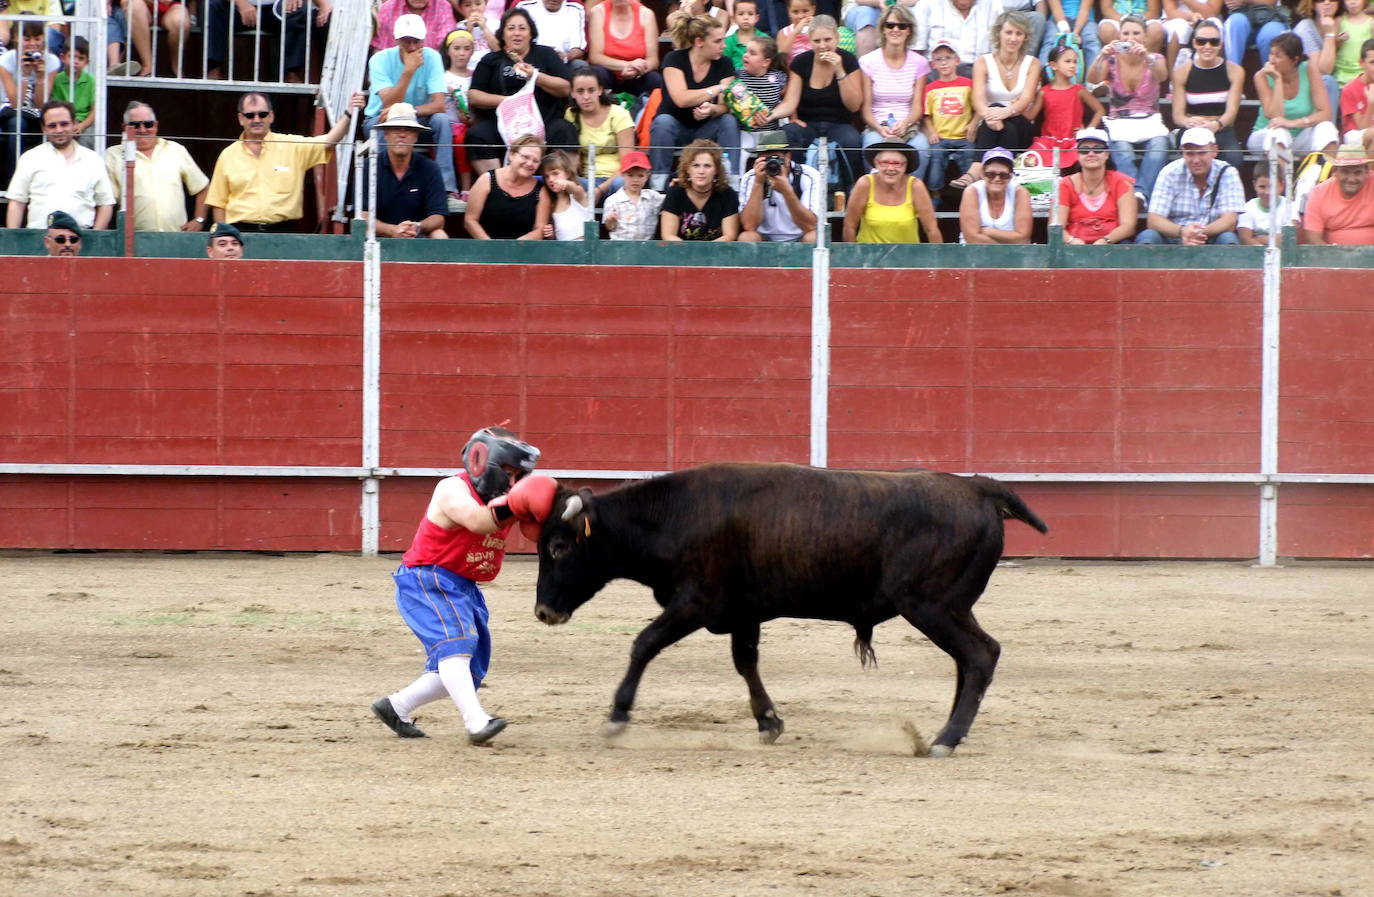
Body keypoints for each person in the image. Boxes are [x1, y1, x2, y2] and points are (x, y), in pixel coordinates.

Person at [370, 426, 553, 746]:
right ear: (483, 462)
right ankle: (476, 722)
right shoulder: (452, 488)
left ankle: (396, 706)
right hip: (427, 578)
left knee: (467, 671)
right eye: (508, 472)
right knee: (458, 645)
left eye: (519, 476)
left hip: (463, 585)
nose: (513, 483)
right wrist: (519, 503)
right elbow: (478, 520)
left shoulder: (503, 497)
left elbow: (532, 530)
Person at [205, 90, 366, 233]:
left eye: (262, 114)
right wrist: (225, 236)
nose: (256, 119)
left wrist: (349, 113)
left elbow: (329, 141)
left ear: (271, 116)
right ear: (241, 119)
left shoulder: (291, 146)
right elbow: (218, 203)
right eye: (250, 115)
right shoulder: (227, 155)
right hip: (241, 233)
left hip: (284, 233)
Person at [465, 8, 576, 176]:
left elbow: (565, 88)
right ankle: (498, 185)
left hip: (544, 122)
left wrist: (536, 76)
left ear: (531, 33)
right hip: (504, 123)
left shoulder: (545, 54)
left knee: (564, 129)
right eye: (511, 28)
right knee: (477, 134)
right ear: (502, 34)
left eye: (522, 28)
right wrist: (510, 101)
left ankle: (565, 184)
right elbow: (474, 95)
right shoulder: (491, 60)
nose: (517, 33)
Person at [366, 14, 461, 210]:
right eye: (406, 40)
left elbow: (439, 105)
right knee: (380, 128)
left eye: (416, 41)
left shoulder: (433, 57)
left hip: (417, 116)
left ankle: (446, 189)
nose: (411, 46)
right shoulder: (379, 60)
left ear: (423, 40)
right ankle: (385, 187)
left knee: (442, 121)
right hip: (381, 116)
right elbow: (388, 102)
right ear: (396, 39)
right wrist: (408, 71)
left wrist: (405, 112)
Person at [773, 15, 864, 189]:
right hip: (808, 124)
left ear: (836, 38)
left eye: (828, 39)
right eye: (817, 40)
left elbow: (854, 105)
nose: (822, 45)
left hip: (839, 124)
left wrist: (840, 71)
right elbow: (790, 103)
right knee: (787, 132)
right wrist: (770, 115)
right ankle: (793, 188)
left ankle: (849, 193)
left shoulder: (849, 61)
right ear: (809, 41)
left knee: (852, 140)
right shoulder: (801, 62)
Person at [650, 15, 740, 190]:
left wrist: (712, 109)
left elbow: (725, 106)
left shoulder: (725, 64)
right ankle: (658, 187)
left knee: (729, 121)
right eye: (717, 41)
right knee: (662, 122)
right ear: (699, 42)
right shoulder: (674, 59)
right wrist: (717, 88)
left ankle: (733, 184)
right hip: (676, 128)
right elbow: (681, 99)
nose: (724, 46)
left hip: (707, 130)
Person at [1088, 14, 1168, 201]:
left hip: (1150, 120)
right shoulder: (1112, 59)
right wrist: (1101, 56)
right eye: (1125, 33)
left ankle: (1138, 195)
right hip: (1119, 121)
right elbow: (1092, 80)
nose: (1130, 38)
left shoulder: (1155, 58)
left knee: (1159, 148)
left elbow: (1162, 76)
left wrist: (1146, 56)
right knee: (1122, 153)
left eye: (1136, 33)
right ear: (1119, 36)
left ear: (1145, 37)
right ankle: (1139, 194)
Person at [104, 101, 211, 233]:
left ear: (156, 125)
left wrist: (199, 220)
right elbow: (106, 201)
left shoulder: (176, 150)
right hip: (134, 241)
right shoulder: (113, 155)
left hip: (175, 238)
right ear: (124, 127)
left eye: (148, 124)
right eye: (135, 125)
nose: (142, 130)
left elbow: (202, 187)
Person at [6, 101, 115, 230]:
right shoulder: (30, 158)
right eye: (52, 125)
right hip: (38, 242)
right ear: (44, 128)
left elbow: (106, 204)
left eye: (64, 124)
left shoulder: (93, 159)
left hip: (82, 241)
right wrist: (12, 242)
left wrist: (95, 242)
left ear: (74, 124)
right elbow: (16, 202)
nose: (59, 130)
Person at [1135, 125, 1244, 244]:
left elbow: (1229, 221)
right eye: (1190, 154)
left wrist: (1197, 234)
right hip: (1175, 237)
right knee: (1148, 236)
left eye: (1202, 153)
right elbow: (1154, 220)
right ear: (1182, 153)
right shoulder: (1170, 172)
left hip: (1210, 237)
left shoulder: (1228, 173)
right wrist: (1183, 232)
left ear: (1214, 151)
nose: (1196, 160)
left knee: (1228, 238)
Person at [1249, 31, 1340, 156]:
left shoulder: (1309, 69)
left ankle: (1327, 174)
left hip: (1300, 135)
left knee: (1326, 128)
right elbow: (1275, 116)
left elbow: (1325, 114)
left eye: (1278, 56)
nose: (1271, 60)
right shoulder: (1261, 76)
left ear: (1295, 60)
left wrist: (1293, 123)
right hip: (1266, 134)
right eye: (1271, 54)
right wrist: (1277, 80)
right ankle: (1282, 175)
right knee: (1279, 132)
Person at [1169, 19, 1245, 171]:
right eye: (1201, 42)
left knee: (1234, 158)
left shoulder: (1235, 71)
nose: (1207, 47)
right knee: (1191, 156)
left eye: (1213, 42)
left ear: (1220, 44)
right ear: (1195, 43)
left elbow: (1231, 112)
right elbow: (1177, 115)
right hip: (1192, 126)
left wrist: (1216, 125)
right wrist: (1189, 122)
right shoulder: (1182, 72)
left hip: (1221, 126)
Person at [858, 6, 931, 157]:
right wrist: (879, 128)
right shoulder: (868, 61)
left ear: (909, 30)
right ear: (883, 29)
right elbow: (866, 109)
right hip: (877, 126)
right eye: (890, 25)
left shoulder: (920, 62)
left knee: (921, 148)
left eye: (902, 25)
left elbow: (917, 107)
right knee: (871, 146)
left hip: (908, 126)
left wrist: (905, 124)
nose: (895, 29)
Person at [369, 102, 449, 238]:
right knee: (363, 231)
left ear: (416, 136)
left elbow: (438, 217)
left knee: (439, 235)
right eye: (396, 129)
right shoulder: (369, 166)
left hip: (417, 237)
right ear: (386, 134)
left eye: (408, 129)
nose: (402, 134)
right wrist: (392, 230)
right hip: (379, 237)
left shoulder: (429, 168)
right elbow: (363, 216)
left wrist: (417, 227)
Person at [206, 0, 330, 82]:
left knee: (300, 9)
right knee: (211, 4)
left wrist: (323, 4)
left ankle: (292, 72)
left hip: (276, 9)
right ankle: (213, 69)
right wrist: (241, 3)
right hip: (238, 10)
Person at [972, 10, 1043, 155]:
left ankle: (977, 167)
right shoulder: (982, 62)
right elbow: (977, 98)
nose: (1013, 38)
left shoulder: (1033, 64)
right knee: (1002, 125)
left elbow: (1026, 99)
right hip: (990, 123)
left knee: (1002, 115)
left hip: (1022, 123)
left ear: (1025, 37)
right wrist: (989, 116)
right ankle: (1006, 168)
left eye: (1019, 34)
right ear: (999, 33)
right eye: (1009, 32)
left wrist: (1003, 112)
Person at [842, 140, 942, 242]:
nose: (890, 168)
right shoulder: (865, 183)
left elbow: (931, 229)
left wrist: (939, 256)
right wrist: (852, 255)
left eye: (897, 163)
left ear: (905, 165)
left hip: (906, 255)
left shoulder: (915, 186)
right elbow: (849, 225)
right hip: (869, 255)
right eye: (885, 163)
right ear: (876, 163)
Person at [0, 20, 60, 186]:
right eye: (26, 38)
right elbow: (15, 104)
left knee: (51, 125)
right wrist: (25, 75)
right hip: (10, 112)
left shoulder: (52, 61)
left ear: (43, 39)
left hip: (36, 113)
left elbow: (41, 105)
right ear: (16, 38)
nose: (32, 44)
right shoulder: (6, 60)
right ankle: (15, 182)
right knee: (16, 122)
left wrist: (40, 78)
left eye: (37, 38)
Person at [738, 129, 824, 241]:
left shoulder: (809, 175)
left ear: (787, 157)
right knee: (747, 237)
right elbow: (749, 226)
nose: (771, 164)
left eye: (775, 158)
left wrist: (787, 191)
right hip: (764, 240)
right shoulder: (751, 177)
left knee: (814, 237)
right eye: (765, 158)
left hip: (800, 237)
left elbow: (811, 226)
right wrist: (758, 183)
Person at [1027, 42, 1104, 168]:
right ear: (1053, 65)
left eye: (1075, 62)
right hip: (1048, 143)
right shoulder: (1044, 92)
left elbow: (1099, 110)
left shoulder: (1079, 90)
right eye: (1067, 61)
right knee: (1031, 159)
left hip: (1072, 142)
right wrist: (1016, 106)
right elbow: (1030, 115)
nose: (1073, 65)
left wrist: (1087, 131)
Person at [1056, 127, 1138, 243]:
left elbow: (1128, 226)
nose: (1091, 154)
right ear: (1078, 155)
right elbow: (1056, 227)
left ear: (1107, 154)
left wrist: (1105, 240)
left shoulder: (1122, 182)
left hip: (1113, 246)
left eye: (1098, 149)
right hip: (1074, 248)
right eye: (1084, 150)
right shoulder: (1065, 185)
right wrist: (1071, 241)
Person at [464, 133, 552, 238]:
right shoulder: (486, 180)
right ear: (512, 155)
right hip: (485, 248)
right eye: (525, 157)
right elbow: (470, 220)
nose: (530, 163)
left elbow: (540, 229)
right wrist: (490, 247)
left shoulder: (541, 191)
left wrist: (516, 247)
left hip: (522, 250)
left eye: (535, 161)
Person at [565, 69, 634, 201]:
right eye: (580, 91)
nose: (586, 97)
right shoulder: (571, 115)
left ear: (600, 90)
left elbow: (628, 164)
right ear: (573, 93)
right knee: (566, 182)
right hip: (585, 179)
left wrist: (600, 190)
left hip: (615, 179)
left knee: (621, 184)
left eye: (591, 90)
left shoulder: (619, 114)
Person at [919, 39, 979, 189]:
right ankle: (935, 194)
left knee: (970, 157)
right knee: (936, 159)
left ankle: (971, 192)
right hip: (941, 137)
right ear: (933, 65)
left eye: (948, 58)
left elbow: (978, 108)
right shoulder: (930, 88)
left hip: (964, 137)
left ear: (957, 61)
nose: (944, 63)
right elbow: (926, 115)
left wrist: (973, 124)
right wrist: (931, 131)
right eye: (938, 59)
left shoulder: (967, 84)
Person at [660, 138, 741, 240]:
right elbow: (668, 235)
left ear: (716, 170)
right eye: (696, 165)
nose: (701, 171)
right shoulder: (675, 193)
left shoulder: (728, 195)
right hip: (681, 252)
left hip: (716, 252)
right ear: (688, 169)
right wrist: (690, 253)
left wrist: (705, 253)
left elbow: (729, 236)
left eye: (707, 166)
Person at [1301, 141, 1374, 243]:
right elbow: (1313, 238)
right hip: (1332, 256)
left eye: (1357, 173)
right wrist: (1331, 256)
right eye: (1345, 172)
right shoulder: (1319, 193)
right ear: (1335, 171)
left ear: (1367, 172)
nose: (1351, 179)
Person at [587, 0, 663, 94]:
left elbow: (653, 60)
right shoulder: (598, 12)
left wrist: (637, 70)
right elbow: (595, 57)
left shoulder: (646, 14)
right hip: (608, 73)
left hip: (637, 74)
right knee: (598, 73)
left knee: (654, 79)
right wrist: (627, 65)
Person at [959, 146, 1032, 242]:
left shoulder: (1021, 193)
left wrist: (986, 230)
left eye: (1003, 175)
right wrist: (1006, 248)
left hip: (1012, 255)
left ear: (1010, 176)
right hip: (975, 253)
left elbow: (1022, 238)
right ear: (982, 174)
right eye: (991, 174)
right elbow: (972, 238)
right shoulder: (972, 192)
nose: (997, 179)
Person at [914, 0, 1006, 74]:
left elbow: (1001, 49)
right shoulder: (926, 4)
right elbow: (917, 50)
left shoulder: (993, 5)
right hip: (937, 72)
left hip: (980, 72)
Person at [443, 28, 477, 196]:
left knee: (462, 137)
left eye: (466, 48)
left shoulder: (475, 77)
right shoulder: (442, 77)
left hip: (466, 125)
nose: (461, 53)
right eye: (456, 49)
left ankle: (466, 187)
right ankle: (446, 187)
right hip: (446, 124)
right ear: (448, 50)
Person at [603, 150, 666, 239]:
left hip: (646, 247)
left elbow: (670, 201)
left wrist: (673, 188)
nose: (635, 180)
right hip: (620, 247)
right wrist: (611, 221)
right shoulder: (612, 200)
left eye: (640, 176)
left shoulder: (652, 196)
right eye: (630, 175)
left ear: (647, 176)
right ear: (622, 175)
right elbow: (609, 228)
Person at [50, 38, 96, 148]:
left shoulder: (91, 80)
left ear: (86, 62)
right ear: (62, 57)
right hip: (61, 121)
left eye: (81, 58)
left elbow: (95, 110)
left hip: (84, 122)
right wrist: (67, 124)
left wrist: (83, 125)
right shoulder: (57, 79)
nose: (76, 61)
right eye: (71, 56)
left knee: (87, 139)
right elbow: (56, 106)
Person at [516, 0, 588, 68]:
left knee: (580, 65)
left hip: (562, 63)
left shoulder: (576, 9)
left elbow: (578, 48)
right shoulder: (524, 7)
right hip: (530, 60)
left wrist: (565, 57)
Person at [541, 149, 594, 238]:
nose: (550, 179)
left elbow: (575, 189)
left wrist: (566, 184)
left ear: (568, 173)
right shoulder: (552, 204)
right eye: (547, 176)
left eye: (555, 173)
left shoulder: (577, 195)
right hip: (564, 249)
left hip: (584, 247)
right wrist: (551, 233)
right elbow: (557, 236)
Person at [1238, 161, 1294, 244]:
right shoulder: (1247, 208)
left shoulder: (1290, 206)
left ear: (1282, 185)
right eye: (1262, 187)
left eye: (1272, 187)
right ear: (1254, 185)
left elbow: (1290, 237)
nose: (1267, 192)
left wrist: (1260, 239)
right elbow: (1245, 239)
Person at [1220, 0, 1288, 67]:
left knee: (1270, 35)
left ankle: (1271, 75)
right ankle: (1232, 73)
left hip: (1271, 16)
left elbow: (1271, 1)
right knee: (1235, 22)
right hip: (1241, 14)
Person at [1040, 0, 1102, 74]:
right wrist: (1065, 30)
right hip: (1058, 20)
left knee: (1091, 41)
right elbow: (1055, 8)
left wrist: (1075, 33)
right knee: (1051, 40)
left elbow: (1085, 10)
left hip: (1085, 20)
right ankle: (1044, 78)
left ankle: (1092, 81)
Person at [371, 0, 458, 51]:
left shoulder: (443, 6)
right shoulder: (388, 8)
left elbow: (447, 43)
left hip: (430, 66)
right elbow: (379, 47)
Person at [1159, 0, 1218, 66]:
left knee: (1216, 24)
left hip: (1205, 19)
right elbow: (1171, 12)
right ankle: (1173, 74)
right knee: (1180, 28)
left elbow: (1212, 13)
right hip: (1175, 19)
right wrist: (1190, 16)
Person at [1340, 38, 1374, 145]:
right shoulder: (1350, 89)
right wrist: (1371, 102)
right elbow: (1363, 127)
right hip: (1355, 135)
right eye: (1372, 63)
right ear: (1361, 63)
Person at [1097, 0, 1165, 53]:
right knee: (1107, 29)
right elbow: (1107, 9)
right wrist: (1124, 20)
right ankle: (1119, 64)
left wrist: (1136, 20)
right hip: (1116, 18)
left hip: (1145, 18)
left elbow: (1153, 11)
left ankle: (1145, 63)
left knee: (1156, 30)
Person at [1334, 0, 1372, 86]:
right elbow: (1332, 47)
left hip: (1362, 74)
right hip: (1341, 74)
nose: (1353, 2)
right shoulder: (1340, 21)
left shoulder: (1370, 23)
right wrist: (1338, 39)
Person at [725, 0, 769, 69]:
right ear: (734, 18)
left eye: (750, 14)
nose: (746, 17)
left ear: (757, 18)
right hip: (736, 78)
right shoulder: (728, 41)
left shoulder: (765, 39)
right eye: (741, 14)